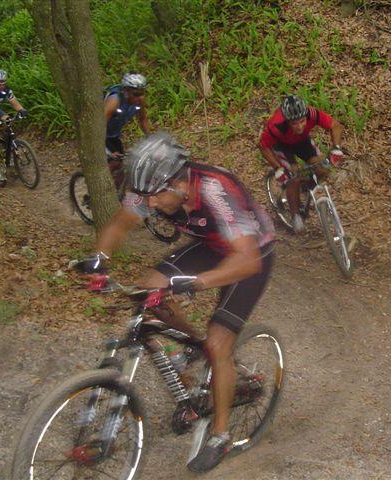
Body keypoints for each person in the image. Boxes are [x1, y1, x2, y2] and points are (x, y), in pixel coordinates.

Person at [76, 131, 275, 472]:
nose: (148, 205)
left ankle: (220, 435)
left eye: (154, 197)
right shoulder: (151, 188)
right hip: (211, 245)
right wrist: (100, 256)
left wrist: (196, 282)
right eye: (144, 197)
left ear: (180, 184)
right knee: (148, 291)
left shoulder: (216, 191)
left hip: (251, 252)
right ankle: (191, 346)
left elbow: (247, 260)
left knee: (218, 341)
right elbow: (121, 223)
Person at [259, 94, 344, 233]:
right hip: (281, 146)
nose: (299, 126)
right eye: (294, 123)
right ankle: (295, 216)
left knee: (324, 166)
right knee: (294, 177)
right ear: (287, 121)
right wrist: (278, 168)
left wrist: (336, 148)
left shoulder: (311, 113)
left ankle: (305, 186)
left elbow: (335, 125)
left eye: (302, 121)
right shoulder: (276, 125)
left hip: (302, 141)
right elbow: (263, 147)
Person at [104, 72, 151, 188]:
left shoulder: (139, 100)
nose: (139, 97)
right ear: (126, 91)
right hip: (100, 134)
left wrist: (150, 138)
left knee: (122, 164)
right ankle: (99, 191)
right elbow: (98, 127)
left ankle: (117, 193)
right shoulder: (114, 101)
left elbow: (143, 120)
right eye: (136, 94)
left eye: (142, 93)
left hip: (114, 135)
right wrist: (106, 152)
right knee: (113, 162)